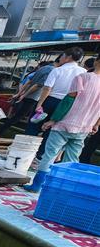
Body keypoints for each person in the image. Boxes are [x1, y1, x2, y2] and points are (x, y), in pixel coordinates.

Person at [27, 57, 100, 192]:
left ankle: (36, 185)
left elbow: (68, 100)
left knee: (49, 155)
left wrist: (53, 120)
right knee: (72, 159)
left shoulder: (83, 77)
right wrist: (96, 124)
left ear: (96, 61)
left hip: (66, 123)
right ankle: (62, 189)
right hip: (85, 127)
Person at [33, 47, 86, 159]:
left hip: (51, 101)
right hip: (68, 105)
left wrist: (39, 104)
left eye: (62, 55)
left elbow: (47, 88)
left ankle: (29, 150)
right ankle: (41, 155)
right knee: (53, 129)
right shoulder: (83, 72)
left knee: (34, 125)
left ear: (68, 57)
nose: (60, 58)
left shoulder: (57, 70)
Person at [0, 60, 55, 136]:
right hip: (33, 98)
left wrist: (20, 94)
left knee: (17, 117)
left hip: (27, 97)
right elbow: (36, 85)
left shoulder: (37, 72)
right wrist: (22, 94)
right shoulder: (50, 71)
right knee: (20, 118)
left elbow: (27, 82)